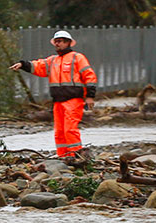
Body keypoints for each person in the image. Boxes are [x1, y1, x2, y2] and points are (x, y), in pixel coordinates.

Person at [9, 30, 98, 160]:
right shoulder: (53, 61)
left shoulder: (77, 58)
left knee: (70, 129)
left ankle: (76, 154)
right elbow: (37, 66)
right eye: (56, 41)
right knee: (60, 131)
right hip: (58, 101)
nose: (58, 44)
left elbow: (89, 76)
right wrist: (22, 64)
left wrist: (90, 96)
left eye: (60, 41)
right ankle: (63, 156)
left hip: (73, 100)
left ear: (68, 42)